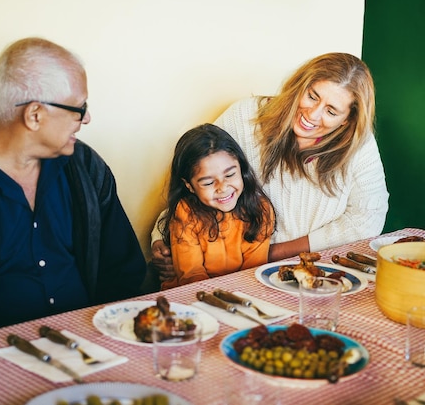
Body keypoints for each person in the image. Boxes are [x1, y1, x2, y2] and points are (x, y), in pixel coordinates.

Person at [0, 37, 146, 347]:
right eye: (80, 108)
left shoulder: (87, 168)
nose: (87, 118)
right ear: (34, 115)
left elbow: (123, 272)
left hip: (91, 348)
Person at [151, 52, 388, 282]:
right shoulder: (245, 117)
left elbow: (367, 220)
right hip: (232, 272)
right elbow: (199, 177)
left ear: (347, 120)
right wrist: (163, 240)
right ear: (299, 85)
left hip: (315, 273)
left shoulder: (359, 146)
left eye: (331, 111)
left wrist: (268, 254)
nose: (313, 115)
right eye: (312, 96)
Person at [158, 124, 275, 289]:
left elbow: (253, 273)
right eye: (208, 182)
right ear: (189, 186)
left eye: (230, 174)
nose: (222, 187)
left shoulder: (260, 210)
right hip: (192, 295)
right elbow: (191, 275)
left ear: (241, 169)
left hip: (244, 293)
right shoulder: (185, 212)